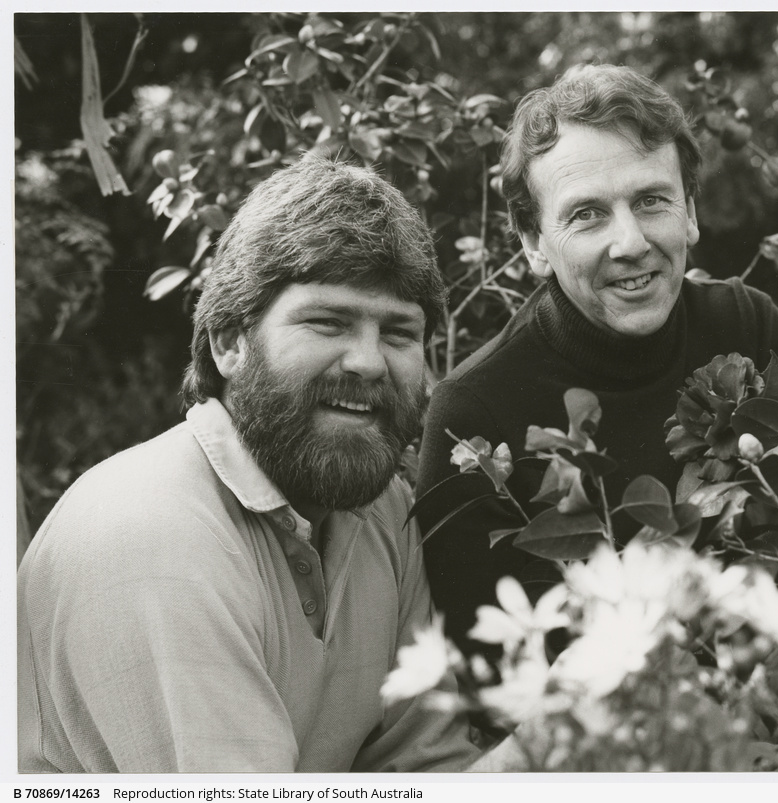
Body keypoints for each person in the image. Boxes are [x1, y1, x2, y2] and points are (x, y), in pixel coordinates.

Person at [18, 156, 521, 773]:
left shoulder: (384, 512)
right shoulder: (152, 538)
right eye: (327, 322)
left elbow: (423, 770)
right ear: (230, 343)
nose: (367, 361)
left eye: (398, 333)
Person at [415, 64, 778, 653]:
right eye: (587, 214)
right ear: (533, 242)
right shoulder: (473, 415)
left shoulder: (749, 325)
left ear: (691, 212)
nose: (630, 243)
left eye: (652, 200)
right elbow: (495, 681)